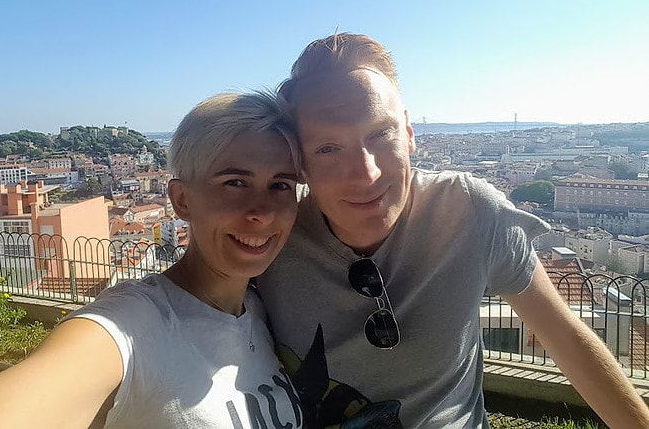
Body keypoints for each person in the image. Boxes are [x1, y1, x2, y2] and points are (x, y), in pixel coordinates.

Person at [257, 33, 649, 428]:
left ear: (409, 134)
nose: (367, 173)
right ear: (299, 163)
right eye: (328, 148)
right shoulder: (269, 236)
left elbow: (566, 339)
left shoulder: (469, 210)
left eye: (380, 134)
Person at [0, 92, 304, 429]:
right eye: (234, 182)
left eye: (280, 185)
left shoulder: (262, 309)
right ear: (181, 200)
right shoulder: (135, 322)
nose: (263, 212)